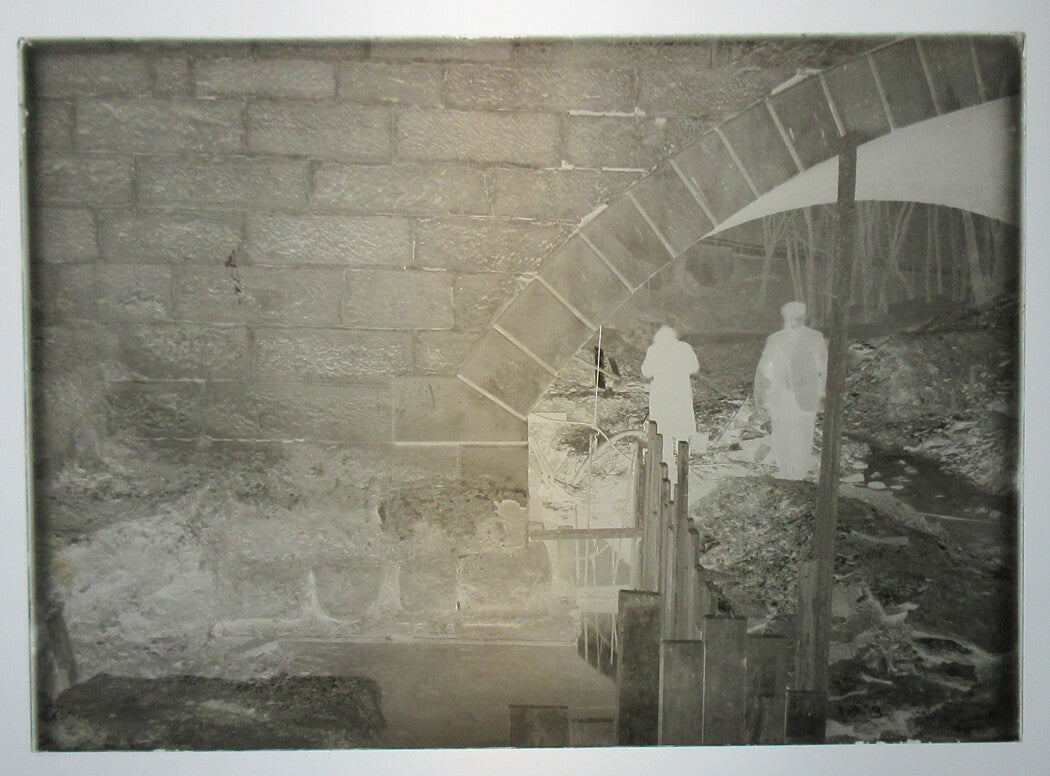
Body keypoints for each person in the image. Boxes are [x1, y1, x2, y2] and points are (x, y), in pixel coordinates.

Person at [754, 301, 828, 480]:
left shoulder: (815, 337)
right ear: (784, 317)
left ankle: (800, 474)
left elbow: (824, 367)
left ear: (803, 318)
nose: (794, 320)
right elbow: (765, 367)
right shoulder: (775, 339)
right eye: (790, 316)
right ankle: (785, 472)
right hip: (781, 395)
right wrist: (766, 390)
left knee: (803, 433)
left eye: (798, 317)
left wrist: (822, 394)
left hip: (806, 394)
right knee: (781, 433)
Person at [641, 326, 698, 482]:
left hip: (662, 395)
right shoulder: (684, 347)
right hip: (680, 394)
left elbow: (646, 371)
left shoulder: (654, 349)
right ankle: (684, 467)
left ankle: (668, 465)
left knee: (663, 429)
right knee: (682, 426)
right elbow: (694, 367)